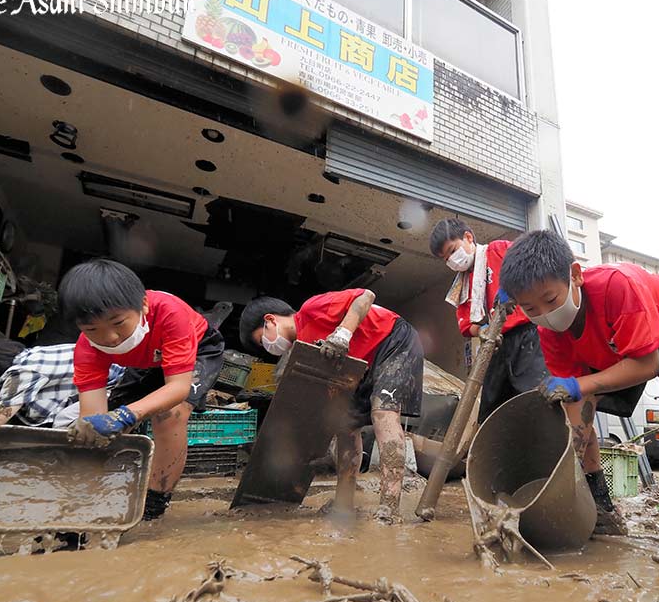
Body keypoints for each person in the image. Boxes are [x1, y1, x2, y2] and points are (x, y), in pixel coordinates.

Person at [499, 230, 659, 532]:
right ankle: (598, 502)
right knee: (574, 405)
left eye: (550, 299)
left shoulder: (617, 286)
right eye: (531, 309)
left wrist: (581, 385)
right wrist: (561, 474)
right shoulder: (550, 331)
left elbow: (647, 364)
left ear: (575, 275)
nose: (546, 315)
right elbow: (575, 399)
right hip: (611, 345)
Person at [239, 289, 423, 523]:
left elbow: (366, 295)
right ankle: (344, 503)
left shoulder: (311, 309)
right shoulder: (304, 347)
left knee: (383, 412)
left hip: (394, 339)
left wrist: (342, 334)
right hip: (363, 362)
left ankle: (389, 508)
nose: (268, 347)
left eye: (262, 339)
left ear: (270, 320)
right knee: (345, 426)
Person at [59, 259, 224, 520]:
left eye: (118, 323)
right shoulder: (87, 349)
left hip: (199, 349)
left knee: (171, 414)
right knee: (103, 426)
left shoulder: (170, 312)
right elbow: (94, 418)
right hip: (145, 360)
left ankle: (155, 504)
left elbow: (178, 388)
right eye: (92, 329)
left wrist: (127, 415)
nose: (110, 337)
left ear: (143, 306)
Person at [0, 339, 125, 492]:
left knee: (64, 432)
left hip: (120, 391)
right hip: (105, 391)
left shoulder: (22, 373)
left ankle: (81, 483)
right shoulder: (26, 361)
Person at [429, 218, 549, 423]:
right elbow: (467, 325)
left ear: (468, 237)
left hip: (528, 335)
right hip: (496, 344)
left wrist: (513, 288)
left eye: (452, 250)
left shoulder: (497, 250)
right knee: (491, 408)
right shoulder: (462, 285)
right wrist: (482, 329)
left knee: (534, 399)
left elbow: (532, 262)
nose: (451, 259)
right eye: (445, 258)